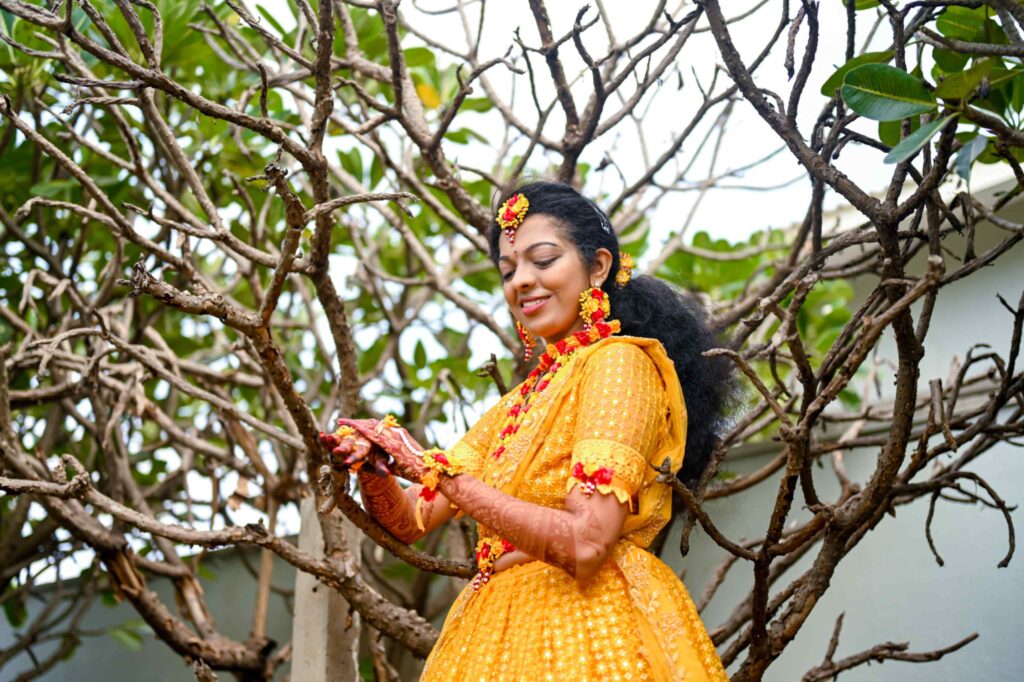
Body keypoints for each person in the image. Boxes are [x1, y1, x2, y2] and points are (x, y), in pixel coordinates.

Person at [326, 181, 734, 680]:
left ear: (599, 266)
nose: (522, 281)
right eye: (508, 270)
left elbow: (587, 543)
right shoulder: (517, 404)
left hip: (588, 628)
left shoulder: (618, 364)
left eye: (543, 260)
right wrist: (374, 464)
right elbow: (411, 518)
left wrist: (427, 463)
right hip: (488, 631)